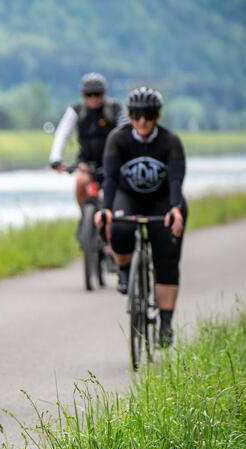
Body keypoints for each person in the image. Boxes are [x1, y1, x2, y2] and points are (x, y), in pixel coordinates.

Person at [95, 87, 186, 347]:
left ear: (157, 116)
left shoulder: (170, 141)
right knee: (120, 230)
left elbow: (177, 179)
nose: (142, 121)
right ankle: (124, 269)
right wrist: (107, 208)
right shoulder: (118, 138)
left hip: (163, 200)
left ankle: (166, 322)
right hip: (129, 196)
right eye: (136, 115)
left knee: (166, 255)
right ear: (129, 115)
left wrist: (176, 207)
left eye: (147, 115)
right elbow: (110, 178)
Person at [49, 72, 128, 209]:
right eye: (89, 94)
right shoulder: (77, 110)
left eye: (97, 94)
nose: (93, 98)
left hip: (110, 159)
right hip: (85, 160)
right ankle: (84, 218)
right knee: (80, 182)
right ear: (83, 94)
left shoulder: (114, 108)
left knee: (114, 191)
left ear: (104, 93)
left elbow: (127, 132)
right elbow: (62, 133)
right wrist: (55, 158)